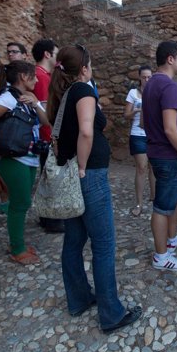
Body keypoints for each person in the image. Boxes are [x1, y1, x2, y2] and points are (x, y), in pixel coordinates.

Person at [46, 44, 142, 333]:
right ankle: (111, 313)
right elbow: (87, 131)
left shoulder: (63, 94)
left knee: (74, 239)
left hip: (73, 176)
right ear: (84, 68)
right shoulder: (84, 90)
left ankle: (78, 299)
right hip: (88, 175)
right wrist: (84, 167)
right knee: (103, 244)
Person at [0, 61, 49, 265]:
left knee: (21, 203)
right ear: (23, 76)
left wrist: (36, 103)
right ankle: (17, 248)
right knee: (19, 205)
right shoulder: (8, 98)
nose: (37, 79)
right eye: (34, 76)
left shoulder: (24, 99)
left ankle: (18, 243)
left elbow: (46, 121)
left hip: (27, 159)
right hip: (15, 160)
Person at [142, 41, 177, 272]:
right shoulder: (169, 87)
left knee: (172, 200)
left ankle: (170, 242)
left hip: (156, 152)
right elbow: (171, 129)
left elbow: (143, 122)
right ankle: (161, 256)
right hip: (169, 155)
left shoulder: (150, 84)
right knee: (162, 207)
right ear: (170, 59)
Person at [31, 38, 64, 233]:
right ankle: (51, 219)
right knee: (51, 177)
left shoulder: (42, 74)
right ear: (47, 54)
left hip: (45, 135)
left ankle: (46, 216)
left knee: (47, 176)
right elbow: (46, 111)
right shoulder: (42, 76)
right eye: (56, 53)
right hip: (47, 136)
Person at [124, 64, 155, 216]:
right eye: (144, 77)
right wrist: (137, 110)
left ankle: (154, 198)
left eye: (149, 77)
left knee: (153, 167)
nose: (147, 80)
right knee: (142, 167)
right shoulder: (133, 93)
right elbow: (126, 114)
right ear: (139, 78)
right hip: (137, 134)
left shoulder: (155, 92)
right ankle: (139, 203)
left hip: (153, 134)